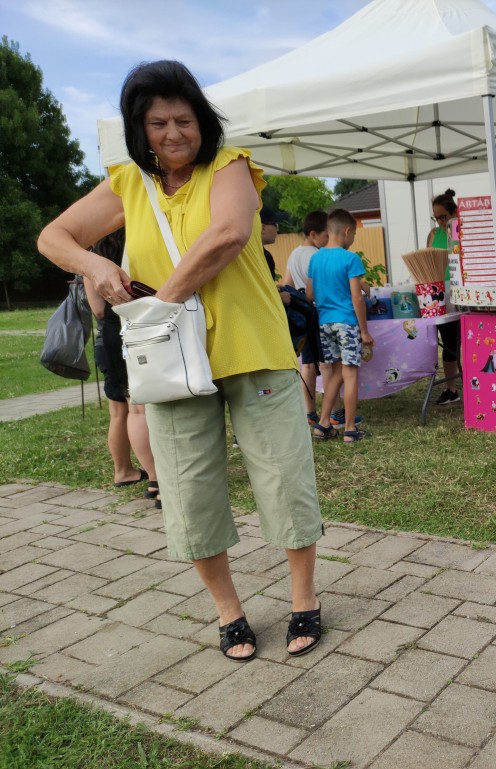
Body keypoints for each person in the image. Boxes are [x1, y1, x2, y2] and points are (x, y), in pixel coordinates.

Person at [37, 60, 323, 663]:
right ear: (138, 129)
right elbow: (53, 237)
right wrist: (96, 265)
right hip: (168, 364)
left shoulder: (230, 166)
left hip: (250, 348)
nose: (173, 134)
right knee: (188, 490)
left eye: (185, 120)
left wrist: (161, 303)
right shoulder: (126, 184)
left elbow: (226, 235)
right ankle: (231, 613)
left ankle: (304, 600)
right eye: (158, 122)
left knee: (284, 478)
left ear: (204, 122)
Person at [83, 229, 160, 507]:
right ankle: (161, 480)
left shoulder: (91, 261)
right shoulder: (139, 246)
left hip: (111, 334)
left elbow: (99, 310)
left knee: (127, 408)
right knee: (148, 406)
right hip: (143, 324)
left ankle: (149, 478)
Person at [306, 208, 373, 442]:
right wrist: (364, 331)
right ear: (346, 231)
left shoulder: (315, 258)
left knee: (334, 373)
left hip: (325, 323)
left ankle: (323, 424)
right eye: (353, 235)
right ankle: (351, 429)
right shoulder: (350, 258)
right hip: (347, 322)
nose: (353, 240)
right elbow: (357, 299)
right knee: (350, 374)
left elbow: (309, 293)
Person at [284, 210, 329, 422]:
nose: (328, 239)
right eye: (326, 234)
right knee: (326, 363)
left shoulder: (294, 254)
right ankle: (334, 412)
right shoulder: (318, 256)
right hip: (319, 312)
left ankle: (309, 412)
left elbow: (288, 285)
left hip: (302, 315)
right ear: (314, 234)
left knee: (308, 364)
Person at [425, 188, 461, 405]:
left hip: (461, 291)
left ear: (454, 212)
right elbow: (428, 260)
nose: (439, 221)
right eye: (435, 217)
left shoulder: (461, 232)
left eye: (443, 217)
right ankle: (451, 388)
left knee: (459, 341)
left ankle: (473, 381)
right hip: (439, 292)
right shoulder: (433, 234)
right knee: (447, 341)